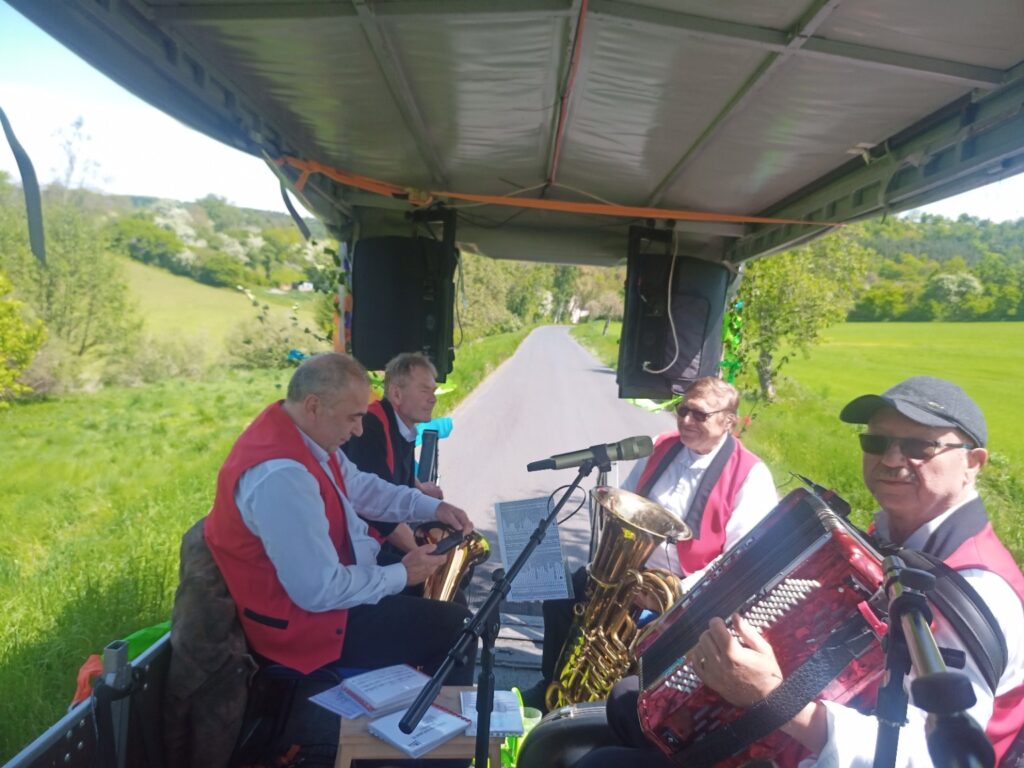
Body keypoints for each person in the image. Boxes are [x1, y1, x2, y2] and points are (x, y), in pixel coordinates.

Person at [571, 375, 1024, 768]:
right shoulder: (886, 540)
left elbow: (928, 758)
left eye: (919, 446)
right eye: (876, 442)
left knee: (600, 764)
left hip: (816, 746)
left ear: (973, 463)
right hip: (802, 732)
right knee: (628, 703)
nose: (890, 459)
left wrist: (773, 697)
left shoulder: (976, 590)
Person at [204, 352, 477, 682]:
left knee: (452, 604)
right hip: (303, 630)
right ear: (314, 406)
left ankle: (425, 699)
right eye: (352, 418)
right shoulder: (281, 477)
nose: (359, 430)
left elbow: (361, 487)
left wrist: (431, 508)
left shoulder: (305, 434)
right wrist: (401, 574)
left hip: (329, 594)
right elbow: (318, 591)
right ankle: (435, 714)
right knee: (459, 629)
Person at [522, 376, 778, 709]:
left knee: (634, 653)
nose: (686, 420)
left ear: (728, 421)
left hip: (686, 592)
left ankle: (609, 707)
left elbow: (739, 558)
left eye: (699, 414)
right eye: (682, 410)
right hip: (632, 570)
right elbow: (625, 502)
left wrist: (674, 595)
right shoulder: (660, 445)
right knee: (561, 598)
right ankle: (553, 686)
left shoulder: (751, 475)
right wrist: (617, 568)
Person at [343, 352, 443, 565]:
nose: (433, 398)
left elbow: (393, 471)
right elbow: (377, 504)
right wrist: (428, 558)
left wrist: (420, 488)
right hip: (357, 549)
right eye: (424, 390)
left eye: (433, 391)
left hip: (377, 541)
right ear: (396, 394)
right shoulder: (369, 429)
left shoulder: (402, 425)